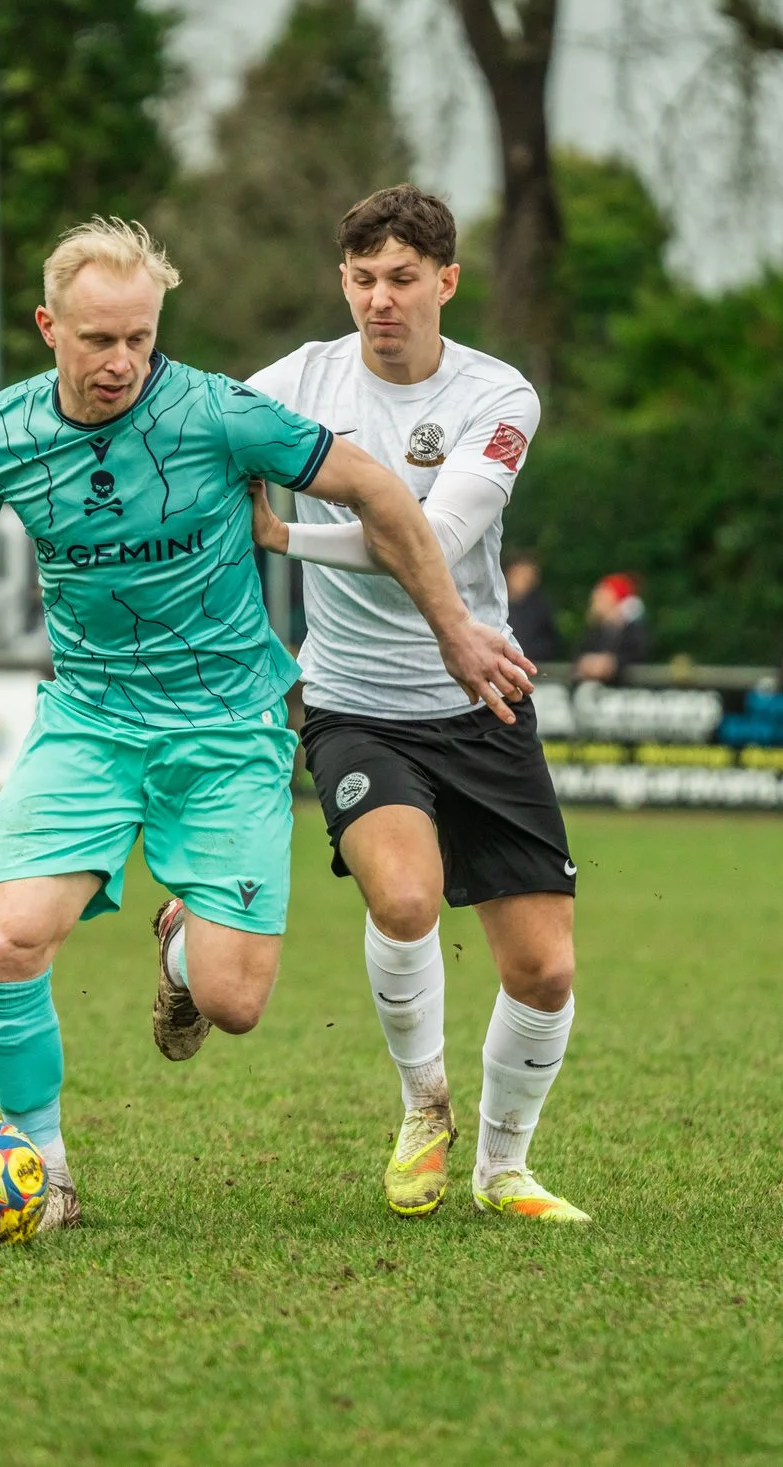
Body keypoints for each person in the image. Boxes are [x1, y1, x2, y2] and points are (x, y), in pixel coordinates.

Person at [0, 218, 529, 1238]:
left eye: (140, 337)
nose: (123, 362)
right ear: (48, 325)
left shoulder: (220, 413)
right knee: (4, 941)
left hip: (229, 731)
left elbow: (372, 488)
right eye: (98, 338)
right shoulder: (5, 433)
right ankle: (46, 1172)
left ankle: (182, 940)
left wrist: (454, 628)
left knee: (233, 1002)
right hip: (90, 725)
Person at [246, 182, 586, 1225]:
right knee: (402, 899)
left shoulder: (498, 397)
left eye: (400, 279)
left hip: (478, 693)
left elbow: (429, 540)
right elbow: (186, 429)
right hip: (353, 704)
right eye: (360, 279)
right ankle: (421, 1107)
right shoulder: (297, 379)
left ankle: (504, 1168)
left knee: (543, 967)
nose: (379, 300)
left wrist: (286, 536)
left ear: (445, 279)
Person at [573, 572, 649, 682]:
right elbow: (578, 655)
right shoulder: (594, 631)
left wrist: (612, 664)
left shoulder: (632, 631)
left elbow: (638, 656)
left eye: (602, 597)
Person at [504, 552, 559, 664]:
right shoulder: (497, 602)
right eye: (521, 575)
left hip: (531, 665)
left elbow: (548, 642)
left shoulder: (540, 608)